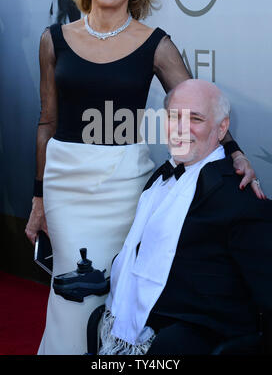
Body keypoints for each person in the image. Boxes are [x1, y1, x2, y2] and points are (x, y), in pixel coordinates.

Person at [25, 0, 263, 355]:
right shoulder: (52, 40)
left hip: (122, 186)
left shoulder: (154, 43)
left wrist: (235, 152)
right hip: (65, 186)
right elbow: (46, 123)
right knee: (69, 296)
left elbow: (198, 106)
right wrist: (38, 201)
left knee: (115, 290)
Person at [98, 79, 272, 355]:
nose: (181, 128)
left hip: (197, 332)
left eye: (196, 118)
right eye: (174, 116)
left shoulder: (239, 196)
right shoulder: (160, 178)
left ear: (222, 128)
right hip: (151, 321)